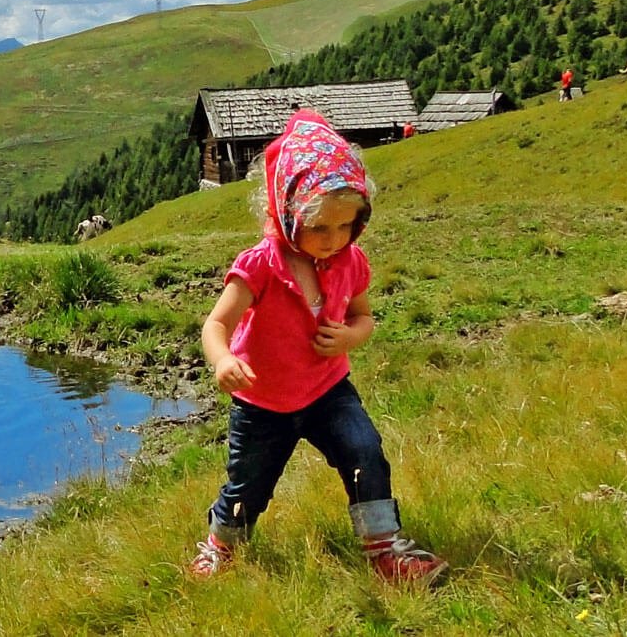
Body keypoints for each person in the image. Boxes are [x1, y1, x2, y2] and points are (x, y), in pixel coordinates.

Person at [187, 109, 447, 583]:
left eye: (346, 226)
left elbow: (363, 316)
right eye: (320, 227)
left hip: (329, 390)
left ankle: (384, 548)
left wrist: (350, 337)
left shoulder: (351, 261)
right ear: (287, 213)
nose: (334, 240)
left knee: (365, 453)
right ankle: (221, 545)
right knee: (250, 484)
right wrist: (223, 360)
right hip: (262, 402)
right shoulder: (261, 265)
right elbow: (215, 325)